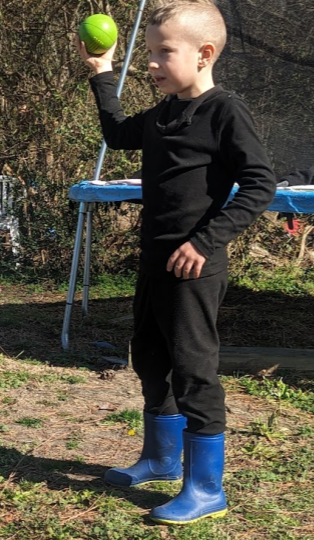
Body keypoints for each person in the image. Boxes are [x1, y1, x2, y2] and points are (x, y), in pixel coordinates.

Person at [79, 0, 276, 525]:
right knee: (148, 356)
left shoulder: (225, 112)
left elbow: (260, 183)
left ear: (204, 53)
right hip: (155, 261)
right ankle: (161, 459)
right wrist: (101, 73)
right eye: (148, 53)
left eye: (163, 53)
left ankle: (207, 488)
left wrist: (206, 242)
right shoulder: (164, 114)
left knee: (194, 370)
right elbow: (118, 135)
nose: (150, 63)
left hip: (195, 266)